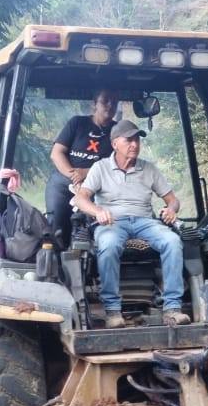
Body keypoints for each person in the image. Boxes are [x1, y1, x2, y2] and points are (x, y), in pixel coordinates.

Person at [73, 119, 191, 328]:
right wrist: (98, 211)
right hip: (112, 222)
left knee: (172, 241)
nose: (134, 144)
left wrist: (171, 210)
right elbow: (82, 199)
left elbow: (172, 200)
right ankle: (113, 312)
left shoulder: (149, 169)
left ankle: (172, 309)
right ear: (115, 143)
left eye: (137, 139)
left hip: (145, 221)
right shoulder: (100, 168)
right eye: (129, 140)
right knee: (108, 245)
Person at [46, 88, 118, 245]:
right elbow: (57, 153)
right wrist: (74, 177)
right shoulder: (77, 123)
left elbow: (119, 162)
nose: (110, 105)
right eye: (105, 100)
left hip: (99, 183)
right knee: (55, 225)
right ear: (94, 105)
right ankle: (56, 259)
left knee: (98, 226)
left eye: (114, 102)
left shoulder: (117, 131)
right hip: (65, 180)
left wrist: (86, 173)